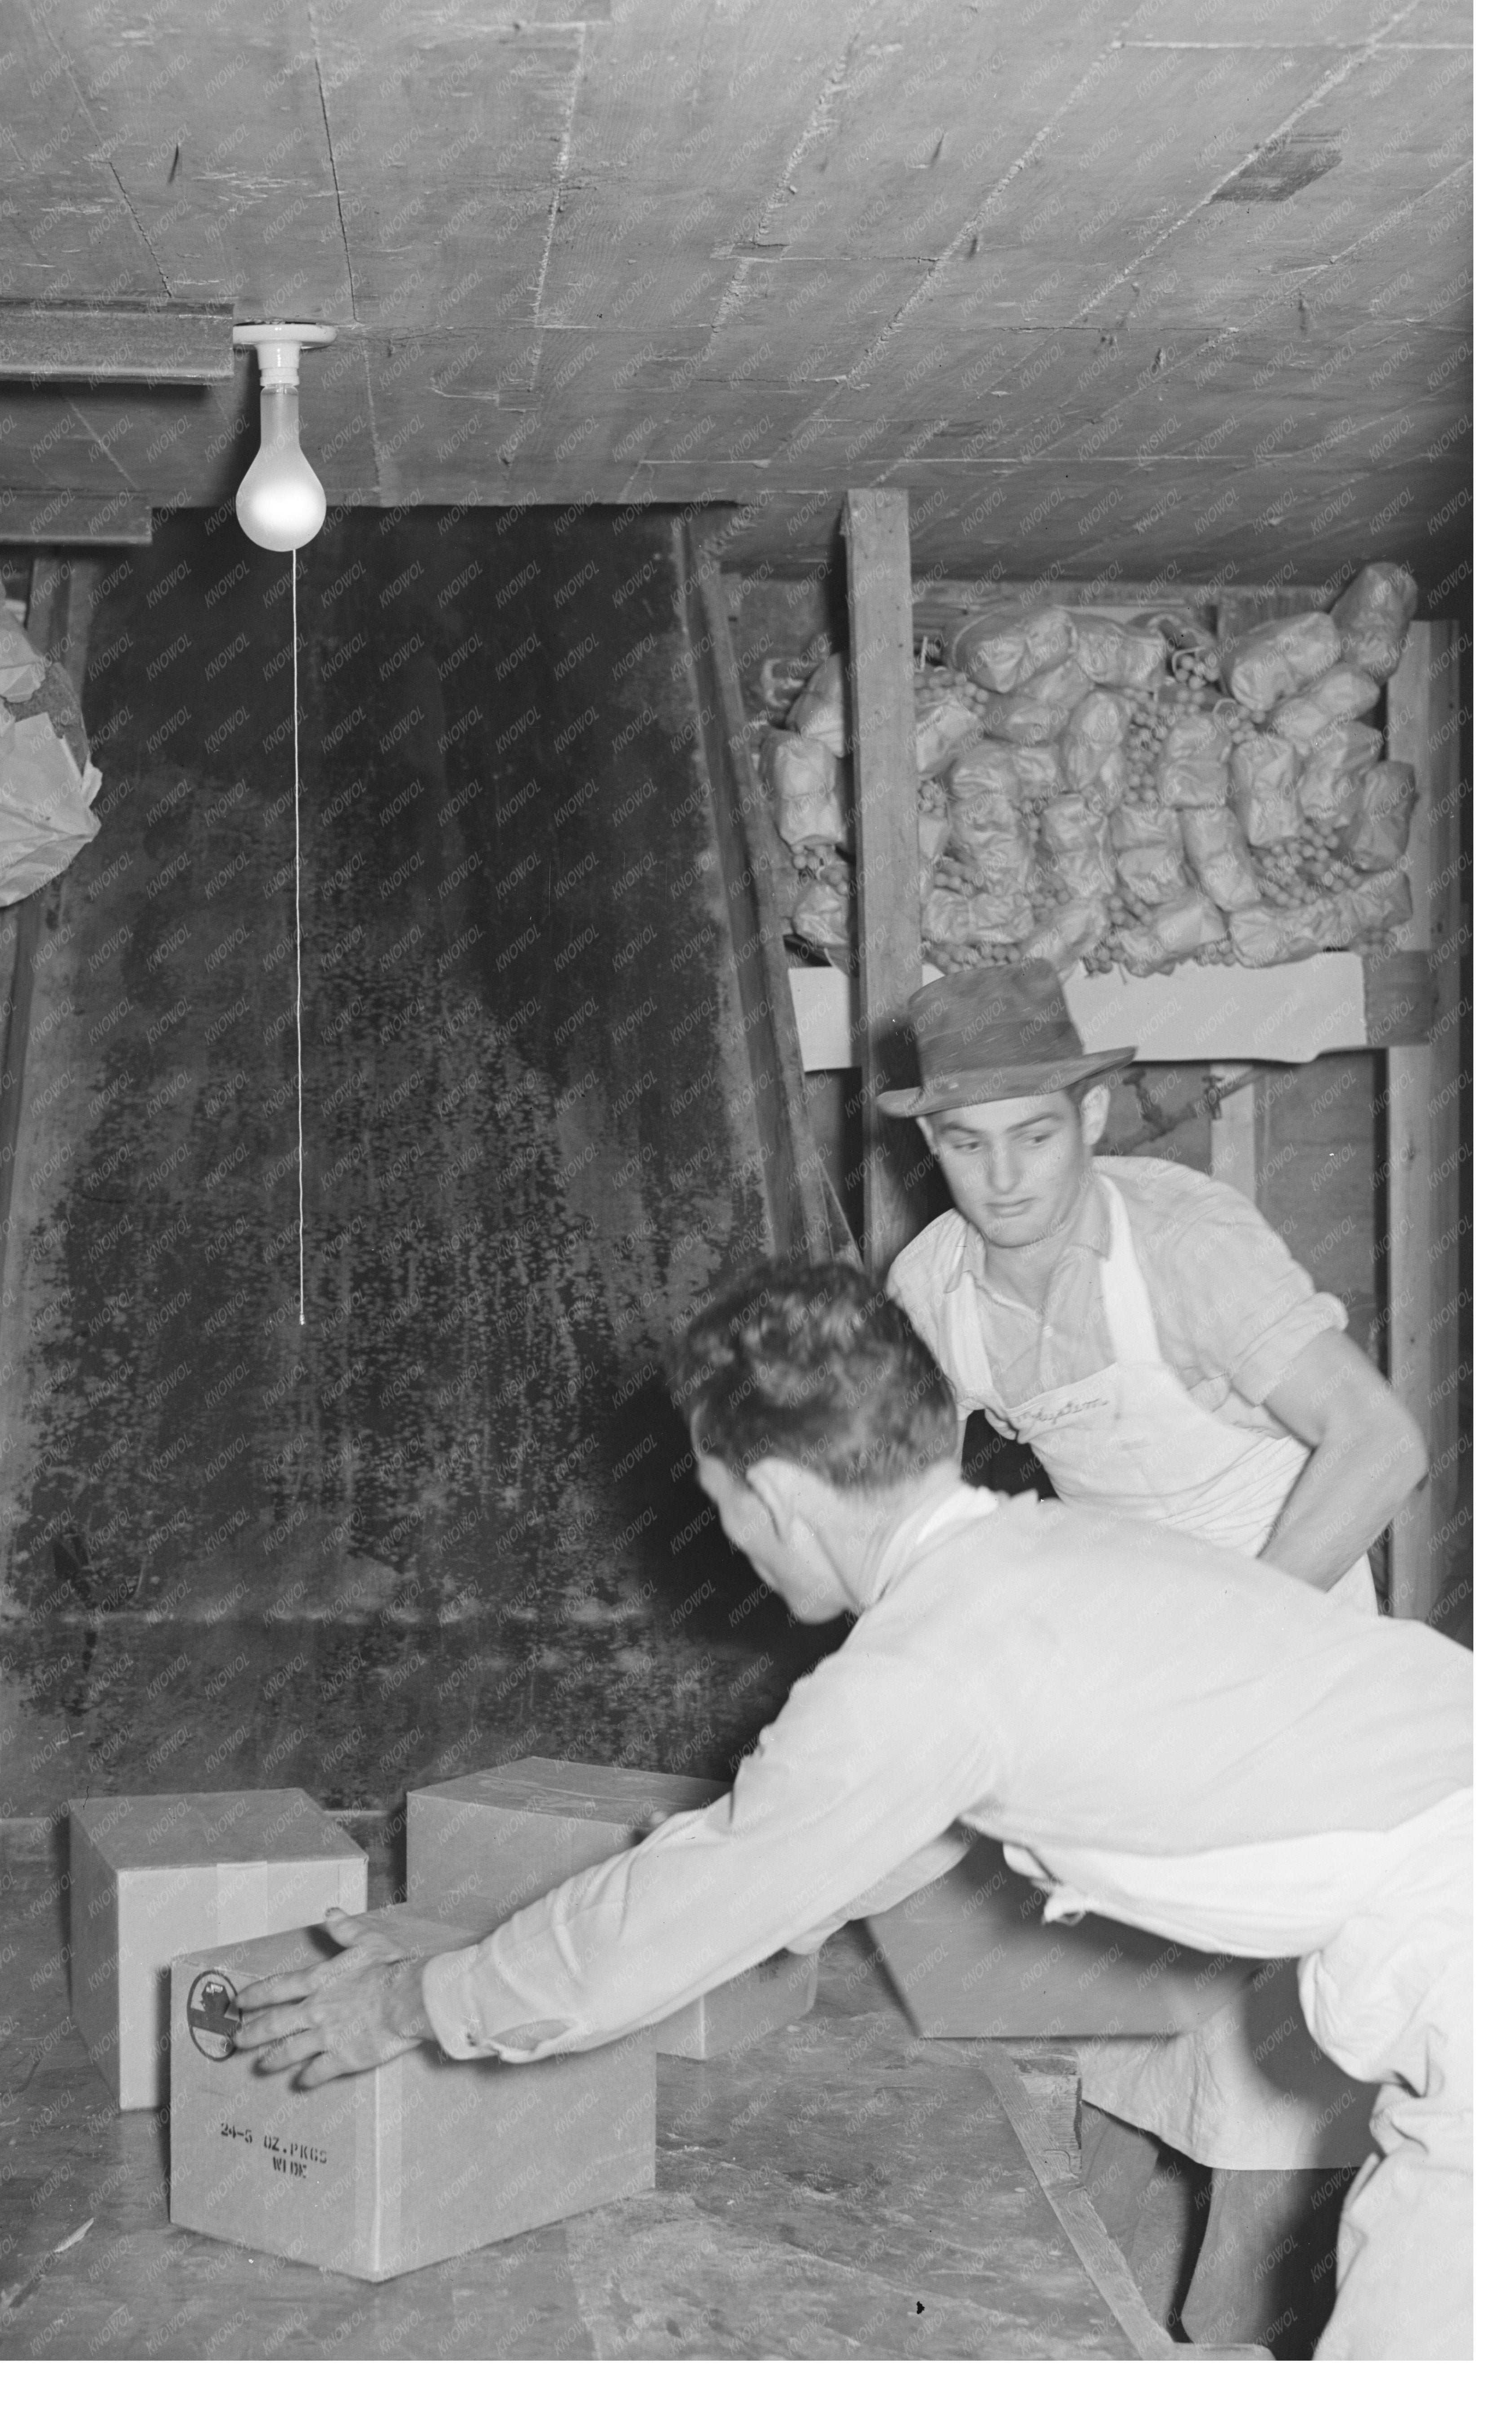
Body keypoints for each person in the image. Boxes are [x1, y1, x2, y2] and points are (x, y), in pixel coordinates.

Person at [235, 1260, 1470, 2362]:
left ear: (773, 1491)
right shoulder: (1043, 1558)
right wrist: (767, 1918)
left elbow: (677, 1914)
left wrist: (408, 2006)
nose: (731, 1539)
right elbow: (874, 1834)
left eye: (718, 1501)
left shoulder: (917, 1672)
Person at [876, 960, 1430, 2346]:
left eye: (1038, 1134)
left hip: (1291, 1625)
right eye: (966, 1143)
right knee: (1129, 2026)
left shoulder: (1188, 1246)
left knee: (1274, 2062)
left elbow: (1380, 1447)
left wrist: (1229, 1647)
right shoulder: (933, 1285)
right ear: (927, 1146)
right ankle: (1108, 2331)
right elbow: (914, 1520)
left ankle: (1229, 2341)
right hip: (1136, 1648)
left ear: (1098, 1112)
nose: (1004, 1180)